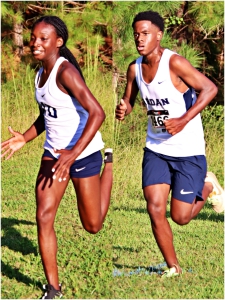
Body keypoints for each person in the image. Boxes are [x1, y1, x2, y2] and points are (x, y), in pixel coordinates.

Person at [1, 16, 113, 298]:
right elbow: (48, 113)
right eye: (33, 38)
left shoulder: (66, 73)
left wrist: (73, 153)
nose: (35, 43)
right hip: (53, 155)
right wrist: (24, 138)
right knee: (44, 215)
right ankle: (53, 288)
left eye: (43, 39)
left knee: (93, 225)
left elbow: (98, 113)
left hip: (83, 153)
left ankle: (109, 163)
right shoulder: (40, 73)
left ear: (58, 42)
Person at [115, 10, 224, 277]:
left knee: (181, 217)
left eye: (145, 33)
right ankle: (173, 266)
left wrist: (184, 119)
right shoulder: (135, 68)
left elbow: (210, 88)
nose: (139, 39)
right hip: (156, 149)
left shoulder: (174, 63)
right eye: (136, 34)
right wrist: (124, 108)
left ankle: (209, 186)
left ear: (159, 35)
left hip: (187, 150)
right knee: (154, 207)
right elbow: (129, 100)